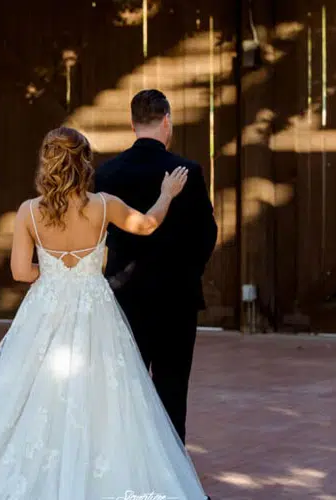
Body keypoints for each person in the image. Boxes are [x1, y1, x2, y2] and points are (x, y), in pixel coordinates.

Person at [0, 127, 207, 500]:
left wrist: (51, 276)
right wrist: (166, 195)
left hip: (45, 312)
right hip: (95, 311)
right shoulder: (104, 205)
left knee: (33, 392)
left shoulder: (29, 212)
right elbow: (147, 225)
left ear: (47, 164)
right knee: (104, 397)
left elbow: (20, 272)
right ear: (84, 163)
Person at [95, 89, 218, 443]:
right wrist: (187, 273)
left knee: (124, 392)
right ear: (166, 121)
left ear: (133, 124)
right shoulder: (187, 171)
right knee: (172, 390)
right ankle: (172, 482)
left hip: (123, 297)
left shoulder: (108, 173)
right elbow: (206, 234)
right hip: (175, 297)